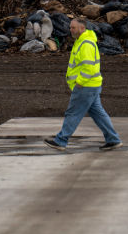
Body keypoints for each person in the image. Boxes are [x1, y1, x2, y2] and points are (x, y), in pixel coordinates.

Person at [44, 18, 122, 151]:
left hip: (86, 86)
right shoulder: (81, 41)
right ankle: (113, 139)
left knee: (73, 113)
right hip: (91, 85)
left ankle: (61, 140)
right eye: (70, 27)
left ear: (82, 28)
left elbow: (89, 68)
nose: (70, 30)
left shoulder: (85, 44)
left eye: (73, 27)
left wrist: (79, 82)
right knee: (98, 114)